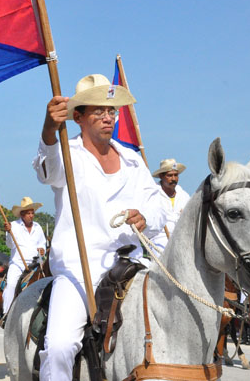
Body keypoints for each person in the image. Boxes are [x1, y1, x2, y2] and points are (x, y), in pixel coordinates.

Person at [33, 74, 167, 380]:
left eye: (112, 111)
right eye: (99, 111)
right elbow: (47, 170)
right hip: (80, 271)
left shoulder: (133, 161)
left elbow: (159, 209)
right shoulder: (69, 154)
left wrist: (145, 216)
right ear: (77, 117)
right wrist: (49, 130)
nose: (108, 117)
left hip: (131, 268)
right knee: (60, 347)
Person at [2, 197, 47, 316]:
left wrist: (42, 251)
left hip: (35, 263)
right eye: (28, 213)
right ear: (22, 214)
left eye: (32, 213)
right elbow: (10, 245)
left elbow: (42, 244)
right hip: (18, 263)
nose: (31, 215)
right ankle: (6, 314)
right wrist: (8, 232)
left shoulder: (38, 227)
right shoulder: (13, 226)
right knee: (11, 284)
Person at [149, 158, 191, 255]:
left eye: (176, 175)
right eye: (169, 175)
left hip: (182, 239)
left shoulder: (184, 196)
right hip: (158, 240)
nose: (173, 179)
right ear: (161, 176)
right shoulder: (152, 194)